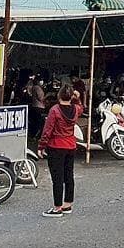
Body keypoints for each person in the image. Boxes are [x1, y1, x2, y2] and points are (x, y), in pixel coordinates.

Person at [38, 86, 83, 218]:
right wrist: (77, 98)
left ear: (59, 96)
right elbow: (81, 107)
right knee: (69, 175)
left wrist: (41, 146)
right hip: (71, 145)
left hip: (56, 146)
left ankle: (57, 208)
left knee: (57, 178)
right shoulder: (75, 109)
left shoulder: (55, 110)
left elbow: (47, 130)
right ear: (71, 97)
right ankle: (67, 204)